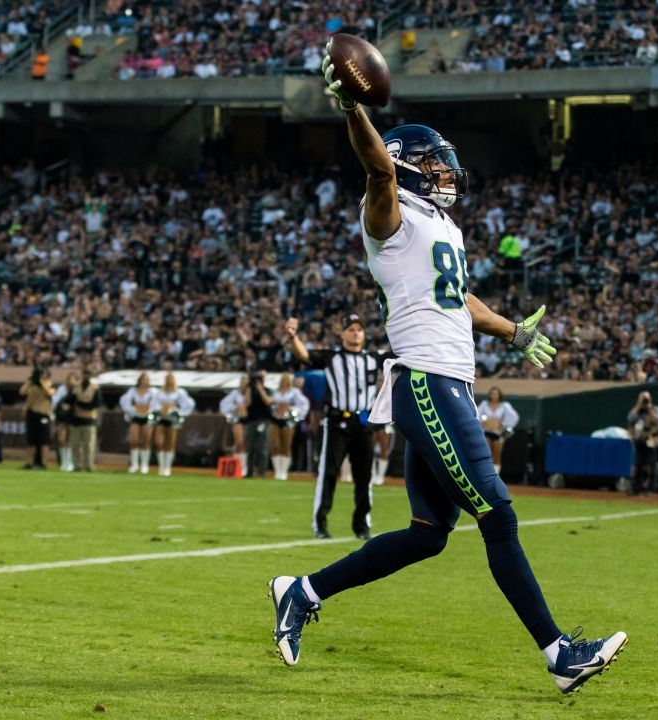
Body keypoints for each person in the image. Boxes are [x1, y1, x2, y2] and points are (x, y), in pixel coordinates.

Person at [268, 50, 626, 697]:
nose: (443, 170)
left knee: (428, 537)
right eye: (430, 161)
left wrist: (514, 330)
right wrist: (351, 106)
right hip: (426, 381)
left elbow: (461, 299)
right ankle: (558, 654)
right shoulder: (389, 212)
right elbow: (377, 170)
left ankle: (302, 590)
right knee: (500, 514)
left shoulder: (442, 227)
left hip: (446, 381)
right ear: (405, 164)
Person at [286, 313, 393, 540]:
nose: (356, 333)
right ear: (342, 333)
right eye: (351, 329)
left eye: (359, 329)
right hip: (336, 423)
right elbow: (303, 354)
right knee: (328, 474)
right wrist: (292, 337)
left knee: (364, 476)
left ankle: (362, 526)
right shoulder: (331, 357)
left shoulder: (374, 358)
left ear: (364, 334)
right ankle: (320, 525)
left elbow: (404, 354)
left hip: (363, 423)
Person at [151, 373, 195, 477]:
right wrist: (160, 409)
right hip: (162, 419)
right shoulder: (159, 392)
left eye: (171, 379)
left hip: (173, 420)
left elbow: (189, 404)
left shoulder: (179, 392)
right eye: (167, 379)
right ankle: (161, 466)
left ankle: (167, 467)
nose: (169, 381)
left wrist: (178, 411)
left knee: (170, 443)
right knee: (159, 442)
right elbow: (154, 404)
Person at [269, 372, 311, 480]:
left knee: (286, 445)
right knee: (275, 445)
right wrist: (275, 408)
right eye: (283, 379)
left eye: (286, 379)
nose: (284, 381)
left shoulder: (294, 392)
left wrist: (294, 412)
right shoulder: (275, 392)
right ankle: (277, 470)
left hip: (288, 420)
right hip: (276, 419)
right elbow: (271, 404)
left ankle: (283, 471)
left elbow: (304, 404)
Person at [626, 391, 658, 497]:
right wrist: (639, 406)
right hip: (639, 440)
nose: (645, 401)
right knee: (638, 464)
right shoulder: (636, 411)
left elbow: (657, 422)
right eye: (643, 399)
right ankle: (636, 488)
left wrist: (649, 408)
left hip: (651, 439)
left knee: (651, 465)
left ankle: (651, 488)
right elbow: (630, 420)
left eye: (646, 399)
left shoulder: (656, 409)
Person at [477, 386, 519, 477]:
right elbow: (477, 415)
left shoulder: (505, 405)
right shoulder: (484, 404)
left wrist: (503, 424)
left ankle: (495, 476)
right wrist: (484, 422)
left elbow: (514, 417)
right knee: (487, 454)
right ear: (490, 395)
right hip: (486, 432)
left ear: (499, 395)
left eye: (496, 394)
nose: (494, 395)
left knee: (497, 454)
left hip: (499, 433)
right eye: (492, 393)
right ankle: (486, 474)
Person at [119, 372, 156, 474]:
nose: (145, 381)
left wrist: (150, 409)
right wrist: (133, 409)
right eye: (143, 379)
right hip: (136, 417)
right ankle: (134, 464)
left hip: (147, 418)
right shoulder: (133, 391)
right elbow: (123, 401)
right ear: (140, 380)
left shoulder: (152, 392)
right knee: (134, 440)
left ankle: (144, 465)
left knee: (146, 440)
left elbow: (156, 404)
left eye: (147, 379)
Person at [240, 370, 274, 478]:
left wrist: (260, 389)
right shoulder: (250, 390)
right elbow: (247, 403)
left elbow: (268, 401)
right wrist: (249, 388)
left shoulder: (268, 390)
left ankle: (261, 472)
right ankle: (249, 471)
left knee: (262, 446)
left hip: (263, 420)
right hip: (251, 421)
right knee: (250, 447)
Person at [19, 366, 53, 470]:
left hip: (43, 414)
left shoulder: (48, 383)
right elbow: (22, 392)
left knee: (44, 440)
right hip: (31, 413)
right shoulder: (32, 385)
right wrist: (30, 380)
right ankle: (29, 462)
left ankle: (43, 463)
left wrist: (41, 381)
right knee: (31, 440)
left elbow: (49, 393)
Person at [69, 368, 101, 472]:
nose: (86, 377)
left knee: (89, 445)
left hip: (89, 419)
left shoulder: (95, 388)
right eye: (84, 374)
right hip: (76, 420)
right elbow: (69, 400)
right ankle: (77, 465)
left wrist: (81, 404)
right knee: (75, 444)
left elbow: (97, 403)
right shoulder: (76, 387)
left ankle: (89, 465)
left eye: (88, 374)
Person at [219, 377, 250, 475]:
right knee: (239, 442)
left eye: (246, 383)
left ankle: (246, 467)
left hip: (250, 421)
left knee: (247, 444)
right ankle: (239, 467)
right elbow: (223, 404)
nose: (244, 385)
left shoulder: (252, 393)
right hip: (238, 420)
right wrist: (234, 408)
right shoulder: (235, 393)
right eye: (243, 382)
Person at [52, 371, 80, 472]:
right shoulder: (62, 389)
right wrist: (60, 408)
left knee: (71, 440)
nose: (70, 381)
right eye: (69, 379)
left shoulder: (78, 390)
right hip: (62, 418)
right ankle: (63, 462)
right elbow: (55, 402)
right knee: (61, 439)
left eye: (73, 379)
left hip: (74, 417)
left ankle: (70, 462)